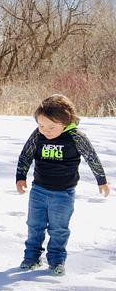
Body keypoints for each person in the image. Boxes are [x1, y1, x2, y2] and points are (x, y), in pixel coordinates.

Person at [16, 94, 109, 276]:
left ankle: (57, 260)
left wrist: (101, 180)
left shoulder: (76, 137)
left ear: (65, 122)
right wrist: (20, 176)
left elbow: (91, 157)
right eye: (41, 125)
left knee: (58, 229)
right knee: (34, 225)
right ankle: (31, 257)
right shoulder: (38, 135)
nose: (46, 131)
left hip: (63, 194)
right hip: (38, 191)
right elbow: (26, 154)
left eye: (51, 127)